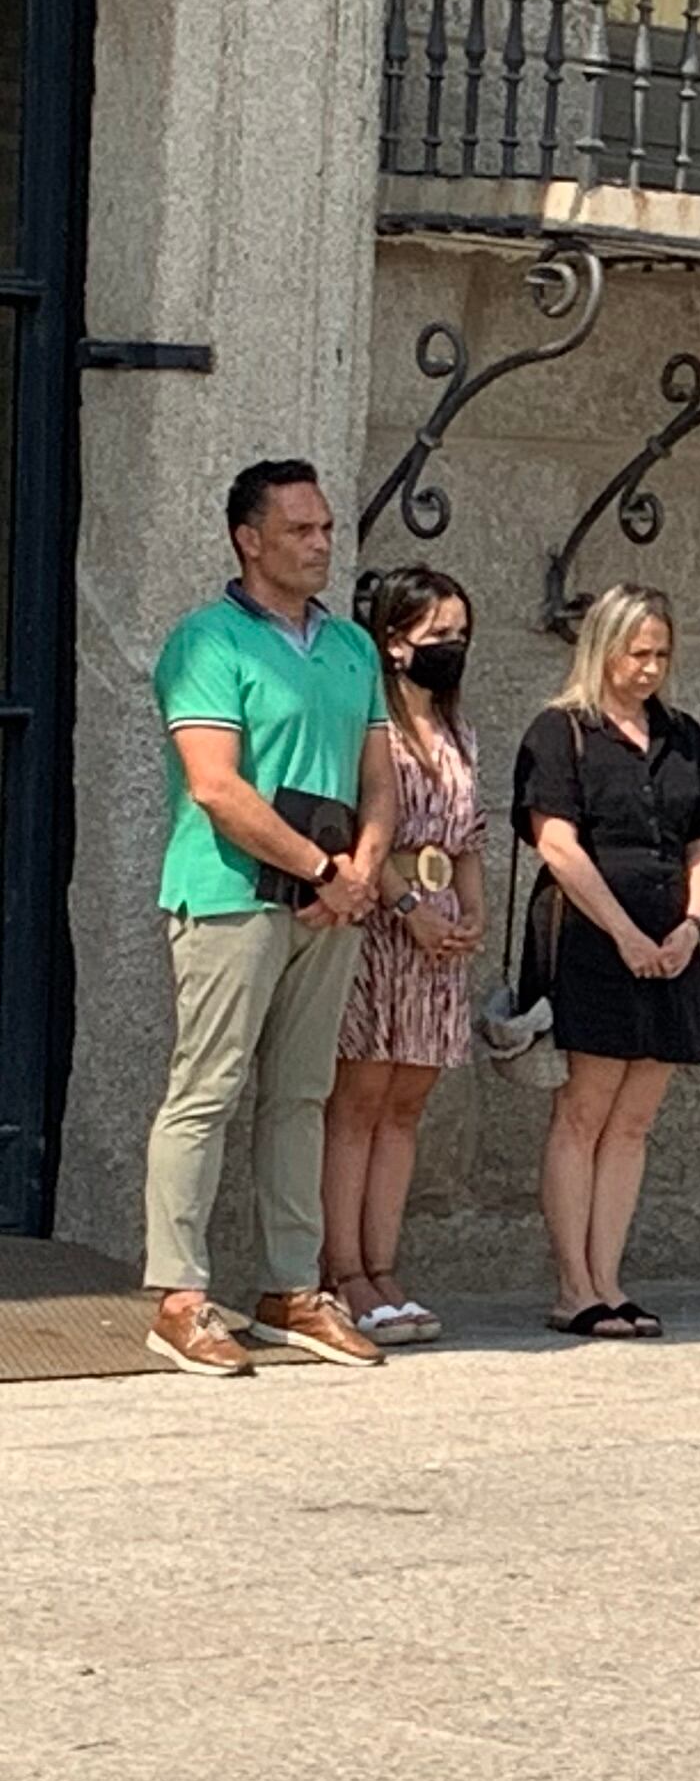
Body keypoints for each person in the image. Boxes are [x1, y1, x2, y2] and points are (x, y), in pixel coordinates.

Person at [138, 457, 397, 1375]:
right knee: (204, 1091)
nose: (322, 544)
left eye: (327, 528)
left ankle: (291, 1286)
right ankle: (177, 1297)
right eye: (301, 530)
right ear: (249, 539)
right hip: (229, 896)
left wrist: (361, 871)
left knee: (300, 1097)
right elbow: (215, 785)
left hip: (329, 910)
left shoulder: (354, 648)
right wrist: (327, 868)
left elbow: (379, 777)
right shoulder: (205, 643)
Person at [516, 583, 700, 1339]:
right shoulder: (560, 732)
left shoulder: (686, 738)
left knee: (634, 1119)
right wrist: (623, 934)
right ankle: (574, 1286)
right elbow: (556, 844)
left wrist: (692, 925)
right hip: (591, 937)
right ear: (602, 649)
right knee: (584, 1108)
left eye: (661, 654)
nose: (649, 668)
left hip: (672, 937)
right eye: (636, 653)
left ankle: (610, 1277)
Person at [324, 566, 488, 1351]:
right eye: (438, 637)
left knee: (406, 1105)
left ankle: (384, 1264)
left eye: (460, 636)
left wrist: (474, 908)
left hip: (440, 919)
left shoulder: (459, 730)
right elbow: (365, 823)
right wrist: (407, 906)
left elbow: (471, 836)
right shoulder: (373, 726)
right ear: (394, 643)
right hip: (384, 918)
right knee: (357, 1099)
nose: (451, 650)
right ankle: (342, 1270)